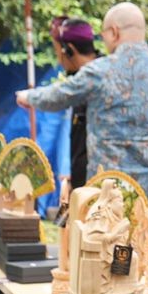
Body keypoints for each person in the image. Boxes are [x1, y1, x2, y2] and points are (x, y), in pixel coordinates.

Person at [19, 3, 148, 247]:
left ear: (114, 32)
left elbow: (59, 96)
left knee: (111, 274)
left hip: (110, 197)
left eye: (103, 35)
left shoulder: (98, 72)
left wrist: (28, 97)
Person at [49, 17, 100, 188]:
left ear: (69, 50)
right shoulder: (82, 81)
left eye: (58, 52)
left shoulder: (96, 79)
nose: (58, 60)